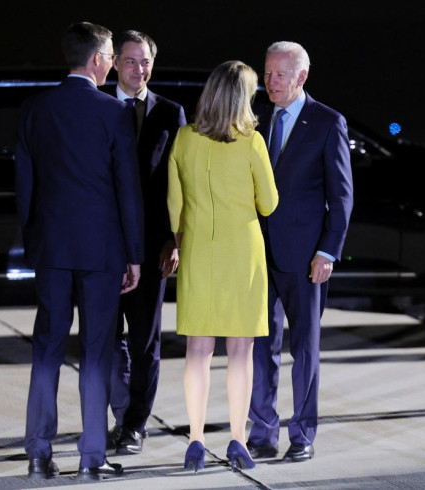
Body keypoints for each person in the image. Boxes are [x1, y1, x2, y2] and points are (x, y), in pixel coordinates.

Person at [15, 22, 143, 481]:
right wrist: (134, 253)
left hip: (51, 249)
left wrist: (34, 245)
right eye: (111, 55)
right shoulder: (113, 113)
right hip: (102, 251)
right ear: (96, 59)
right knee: (96, 350)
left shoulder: (34, 108)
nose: (112, 62)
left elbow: (24, 186)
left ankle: (37, 451)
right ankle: (92, 457)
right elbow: (127, 190)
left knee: (47, 348)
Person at [167, 60, 278, 472]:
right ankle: (236, 438)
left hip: (199, 250)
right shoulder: (252, 142)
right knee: (241, 350)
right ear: (242, 98)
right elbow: (269, 203)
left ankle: (195, 439)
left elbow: (174, 207)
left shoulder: (184, 138)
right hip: (242, 254)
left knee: (197, 350)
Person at [248, 41, 354, 463]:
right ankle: (262, 431)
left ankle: (303, 433)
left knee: (305, 348)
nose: (270, 82)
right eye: (267, 73)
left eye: (279, 74)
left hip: (307, 257)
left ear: (301, 77)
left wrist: (327, 252)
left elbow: (342, 197)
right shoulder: (254, 118)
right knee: (261, 345)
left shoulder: (328, 122)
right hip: (257, 254)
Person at [107, 30, 186, 455]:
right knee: (102, 339)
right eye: (132, 61)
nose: (140, 69)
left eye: (146, 61)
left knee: (145, 341)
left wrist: (175, 240)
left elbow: (178, 183)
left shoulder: (170, 113)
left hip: (152, 247)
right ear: (115, 62)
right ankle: (113, 415)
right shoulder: (98, 108)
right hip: (102, 248)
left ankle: (135, 424)